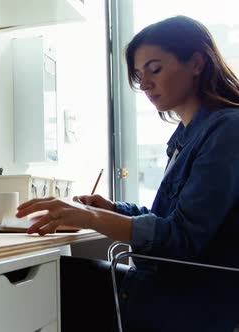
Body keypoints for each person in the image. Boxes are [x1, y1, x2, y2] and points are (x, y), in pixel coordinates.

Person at [15, 15, 239, 332]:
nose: (145, 83)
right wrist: (112, 209)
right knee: (58, 276)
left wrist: (90, 219)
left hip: (190, 302)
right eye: (138, 74)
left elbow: (183, 238)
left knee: (54, 281)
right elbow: (170, 218)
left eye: (155, 69)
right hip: (167, 286)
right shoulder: (186, 136)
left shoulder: (227, 130)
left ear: (197, 63)